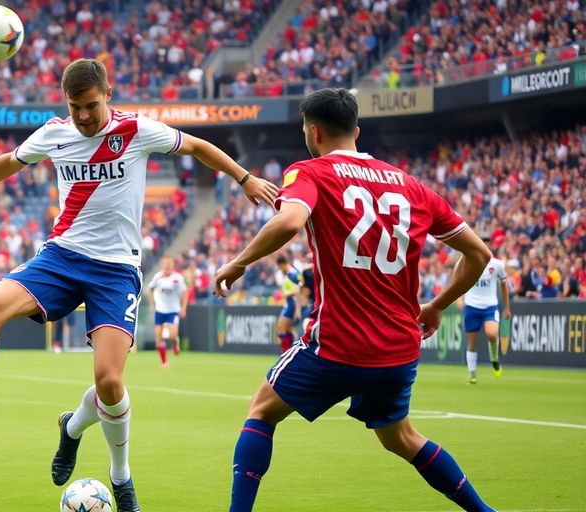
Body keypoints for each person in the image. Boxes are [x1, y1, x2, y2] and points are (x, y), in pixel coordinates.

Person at [0, 58, 278, 512]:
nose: (82, 116)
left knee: (109, 382)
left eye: (91, 106)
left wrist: (244, 177)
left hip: (116, 270)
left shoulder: (137, 130)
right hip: (62, 257)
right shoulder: (56, 132)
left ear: (109, 95)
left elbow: (197, 146)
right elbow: (11, 161)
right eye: (75, 106)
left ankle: (111, 467)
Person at [213, 88, 496, 512]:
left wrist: (238, 262)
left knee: (261, 413)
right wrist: (437, 305)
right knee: (401, 437)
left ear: (313, 131)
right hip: (398, 348)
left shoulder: (309, 172)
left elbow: (290, 220)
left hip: (338, 343)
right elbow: (479, 254)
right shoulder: (413, 187)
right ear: (357, 130)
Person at [458, 245, 511, 383]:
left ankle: (494, 359)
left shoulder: (497, 265)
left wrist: (506, 307)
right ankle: (472, 374)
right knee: (472, 342)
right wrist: (459, 299)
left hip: (490, 306)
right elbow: (458, 280)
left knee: (492, 333)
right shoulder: (467, 262)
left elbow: (504, 284)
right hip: (471, 306)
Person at [147, 256, 188, 367]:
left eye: (169, 263)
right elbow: (150, 289)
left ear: (172, 264)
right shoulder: (158, 277)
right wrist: (152, 304)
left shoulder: (178, 278)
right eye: (165, 263)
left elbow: (185, 293)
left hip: (173, 310)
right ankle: (164, 362)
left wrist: (183, 307)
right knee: (159, 337)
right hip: (160, 310)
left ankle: (175, 343)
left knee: (172, 334)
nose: (167, 265)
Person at [273, 254, 302, 353]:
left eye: (280, 267)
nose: (279, 269)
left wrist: (286, 294)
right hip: (288, 303)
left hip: (292, 304)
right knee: (283, 329)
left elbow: (300, 291)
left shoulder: (293, 274)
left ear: (283, 264)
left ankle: (286, 352)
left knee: (282, 328)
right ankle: (288, 351)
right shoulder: (287, 274)